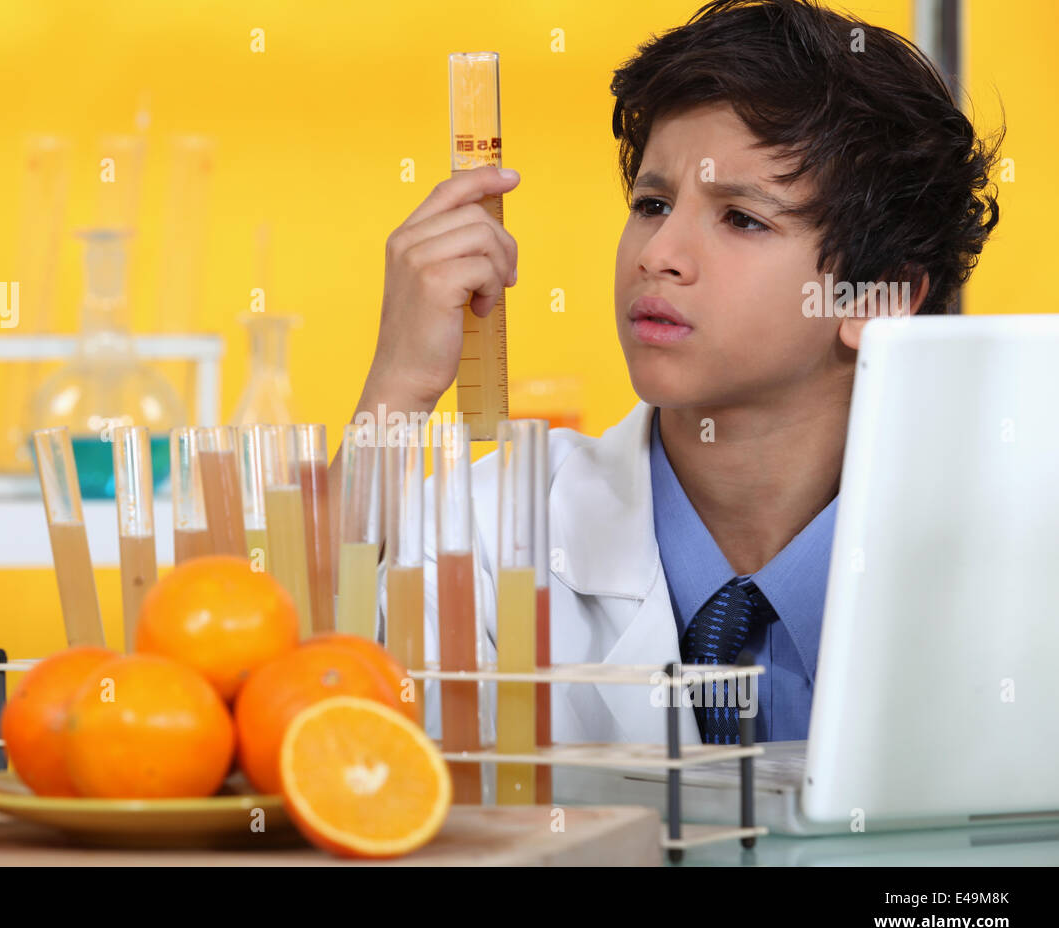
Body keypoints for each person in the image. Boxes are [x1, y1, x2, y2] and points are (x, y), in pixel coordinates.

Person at [328, 0, 1001, 803]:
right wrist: (398, 388)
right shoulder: (482, 534)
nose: (660, 255)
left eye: (741, 219)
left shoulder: (1013, 556)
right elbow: (302, 706)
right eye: (651, 204)